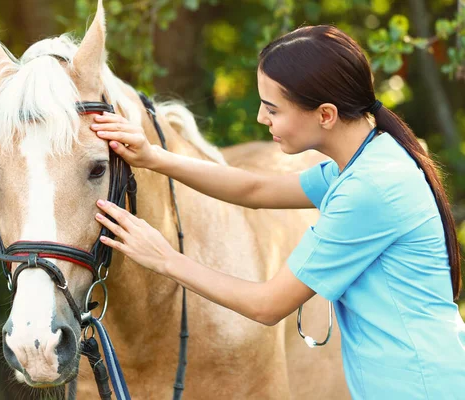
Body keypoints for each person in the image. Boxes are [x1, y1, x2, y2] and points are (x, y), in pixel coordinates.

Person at [90, 25, 465, 399]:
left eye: (272, 108)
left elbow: (267, 305)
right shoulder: (363, 161)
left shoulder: (369, 189)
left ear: (326, 114)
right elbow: (255, 189)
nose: (260, 118)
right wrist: (153, 157)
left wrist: (165, 259)